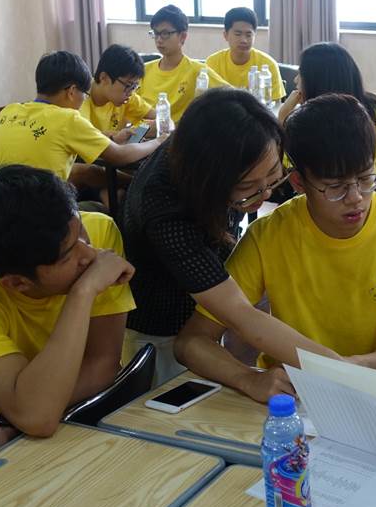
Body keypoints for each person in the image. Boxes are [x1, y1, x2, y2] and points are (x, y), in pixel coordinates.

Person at [177, 94, 376, 400]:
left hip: (367, 391)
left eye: (365, 178)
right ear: (298, 183)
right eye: (335, 187)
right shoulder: (268, 235)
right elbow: (191, 342)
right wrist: (248, 379)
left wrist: (346, 369)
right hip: (289, 397)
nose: (356, 197)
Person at [0, 165, 135, 494]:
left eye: (81, 233)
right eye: (68, 255)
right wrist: (83, 293)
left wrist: (13, 419)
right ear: (17, 283)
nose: (90, 254)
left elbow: (103, 363)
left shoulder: (100, 231)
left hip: (50, 414)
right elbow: (38, 416)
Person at [121, 88, 341, 387]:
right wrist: (345, 372)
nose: (266, 193)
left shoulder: (218, 138)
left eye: (273, 174)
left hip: (210, 321)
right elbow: (239, 314)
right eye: (248, 187)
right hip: (161, 331)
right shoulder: (165, 211)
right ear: (209, 180)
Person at [0, 51, 166, 190]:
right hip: (39, 217)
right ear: (72, 92)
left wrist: (112, 137)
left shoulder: (8, 111)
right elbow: (119, 156)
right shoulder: (68, 119)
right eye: (84, 93)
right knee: (104, 222)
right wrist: (159, 141)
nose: (84, 98)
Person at [277, 42, 376, 204]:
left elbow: (282, 169)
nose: (296, 80)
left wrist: (282, 120)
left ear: (315, 82)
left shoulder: (312, 125)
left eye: (301, 74)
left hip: (346, 208)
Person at [77, 43, 157, 206]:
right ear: (104, 78)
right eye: (128, 86)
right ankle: (138, 183)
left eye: (134, 86)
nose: (131, 92)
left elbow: (160, 119)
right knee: (115, 194)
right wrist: (114, 136)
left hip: (113, 164)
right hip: (89, 167)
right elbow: (84, 139)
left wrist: (143, 128)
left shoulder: (127, 97)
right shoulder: (80, 99)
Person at [136, 4, 228, 124]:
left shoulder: (198, 71)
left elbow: (233, 95)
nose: (159, 39)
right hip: (140, 132)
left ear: (182, 36)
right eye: (156, 33)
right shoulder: (143, 70)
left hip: (177, 133)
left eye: (165, 33)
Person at [205, 7, 285, 102]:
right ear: (225, 35)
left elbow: (276, 104)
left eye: (248, 35)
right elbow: (206, 101)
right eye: (238, 34)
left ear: (254, 35)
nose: (244, 40)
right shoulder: (213, 62)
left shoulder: (268, 65)